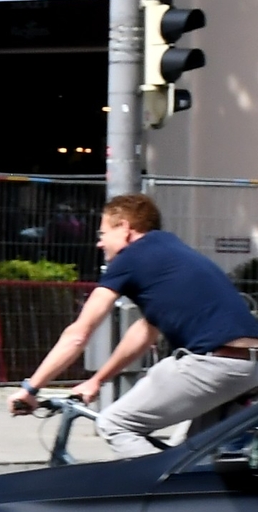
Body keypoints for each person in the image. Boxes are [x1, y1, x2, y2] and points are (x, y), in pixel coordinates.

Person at [14, 192, 258, 457]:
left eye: (103, 233)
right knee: (194, 456)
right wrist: (97, 380)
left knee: (116, 424)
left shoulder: (129, 258)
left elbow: (78, 334)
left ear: (125, 228)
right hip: (248, 366)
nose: (99, 243)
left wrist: (31, 388)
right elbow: (144, 332)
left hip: (211, 365)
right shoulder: (170, 251)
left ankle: (164, 496)